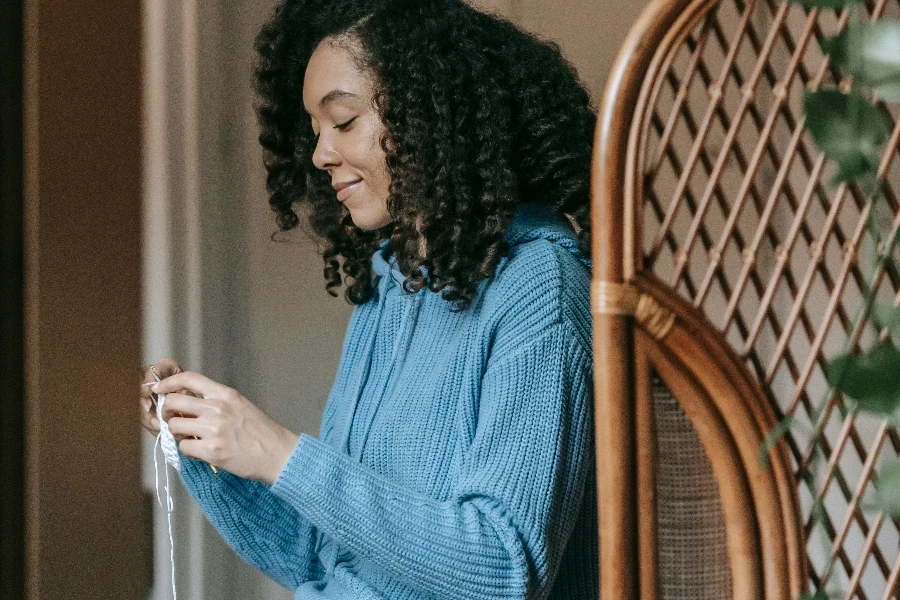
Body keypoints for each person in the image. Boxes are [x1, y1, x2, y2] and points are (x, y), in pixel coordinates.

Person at [140, 0, 598, 597]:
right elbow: (321, 560)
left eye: (345, 122)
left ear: (434, 116)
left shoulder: (540, 287)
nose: (320, 154)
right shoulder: (395, 283)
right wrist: (209, 450)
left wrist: (280, 452)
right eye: (314, 131)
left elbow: (506, 571)